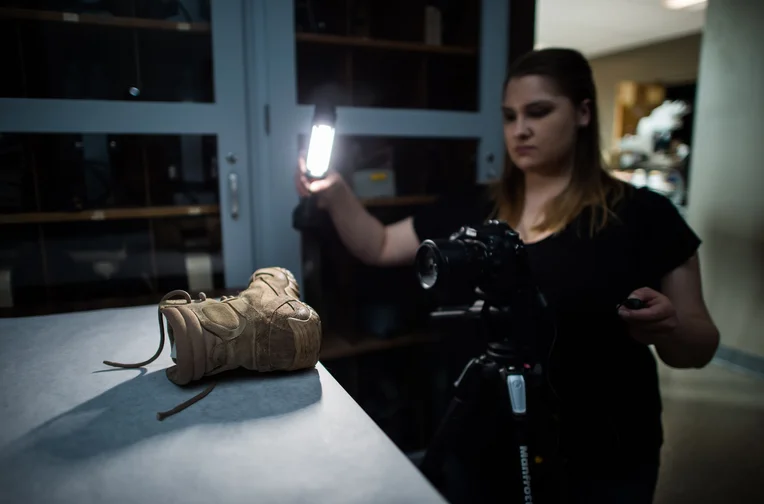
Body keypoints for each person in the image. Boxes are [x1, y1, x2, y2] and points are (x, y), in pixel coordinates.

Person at [295, 48, 719, 503]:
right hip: (483, 442)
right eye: (510, 115)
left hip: (601, 451)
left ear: (582, 112)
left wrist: (668, 327)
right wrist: (335, 192)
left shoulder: (643, 215)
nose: (520, 129)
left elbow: (700, 342)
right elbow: (379, 245)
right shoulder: (476, 206)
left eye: (538, 112)